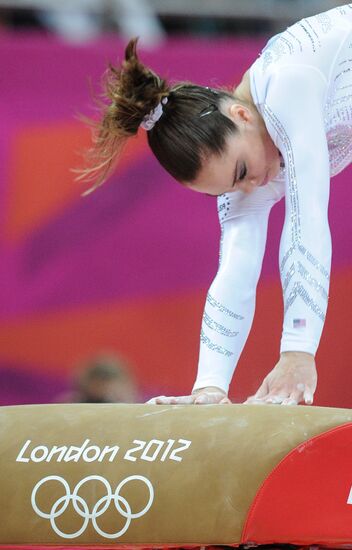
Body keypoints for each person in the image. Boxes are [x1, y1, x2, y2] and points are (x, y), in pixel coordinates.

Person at [78, 4, 352, 406]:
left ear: (240, 114)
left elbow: (306, 219)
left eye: (241, 171)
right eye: (227, 188)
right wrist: (209, 387)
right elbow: (236, 268)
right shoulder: (253, 152)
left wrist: (298, 349)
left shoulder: (286, 87)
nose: (253, 184)